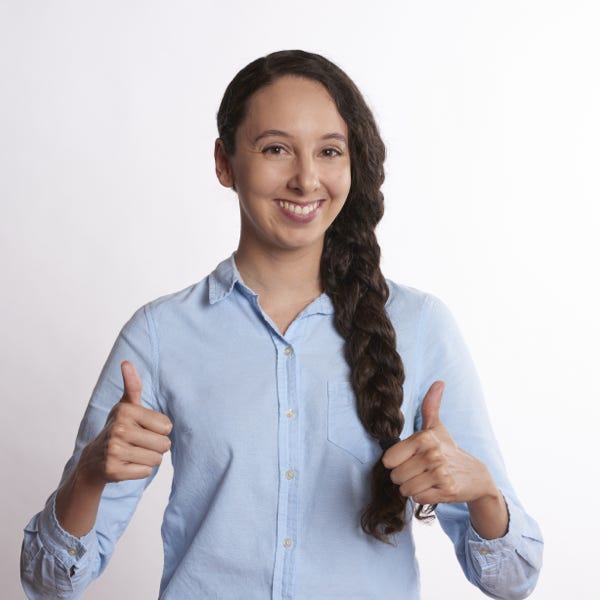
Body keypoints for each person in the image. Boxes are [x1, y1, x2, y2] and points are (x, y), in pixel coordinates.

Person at [21, 50, 543, 599]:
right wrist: (88, 477)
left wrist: (481, 492)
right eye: (275, 149)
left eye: (329, 151)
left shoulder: (421, 326)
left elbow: (512, 580)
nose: (305, 178)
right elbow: (47, 582)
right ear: (224, 163)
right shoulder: (159, 335)